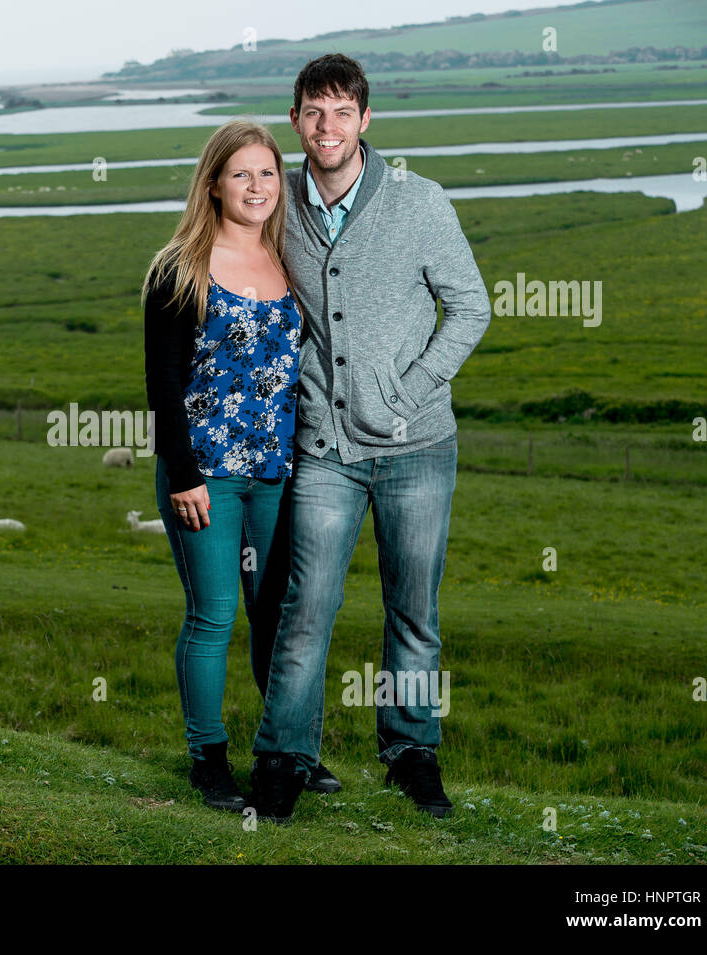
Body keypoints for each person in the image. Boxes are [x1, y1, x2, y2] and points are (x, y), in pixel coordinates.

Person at [244, 54, 492, 824]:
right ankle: (284, 757)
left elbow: (473, 308)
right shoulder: (276, 206)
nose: (327, 127)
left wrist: (406, 393)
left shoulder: (421, 203)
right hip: (325, 449)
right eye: (313, 112)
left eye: (341, 111)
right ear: (296, 122)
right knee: (304, 607)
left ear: (365, 121)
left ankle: (412, 753)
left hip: (419, 447)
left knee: (413, 610)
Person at [143, 119, 323, 812]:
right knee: (214, 613)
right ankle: (208, 758)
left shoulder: (287, 262)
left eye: (269, 173)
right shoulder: (179, 267)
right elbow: (163, 384)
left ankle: (288, 751)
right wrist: (182, 472)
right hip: (206, 476)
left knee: (276, 617)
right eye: (241, 173)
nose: (257, 186)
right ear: (213, 183)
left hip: (275, 475)